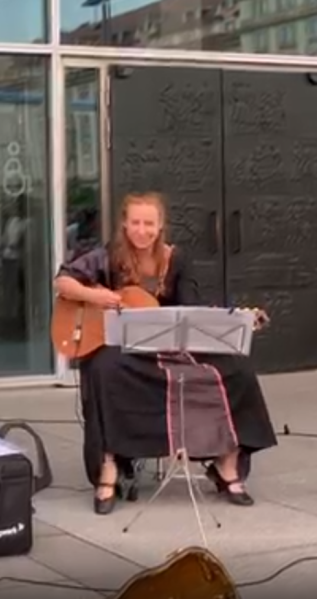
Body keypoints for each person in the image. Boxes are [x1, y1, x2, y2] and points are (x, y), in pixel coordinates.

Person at [54, 192, 277, 515]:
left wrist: (235, 318)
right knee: (103, 369)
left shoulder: (176, 260)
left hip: (168, 346)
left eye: (149, 224)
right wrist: (98, 297)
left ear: (160, 227)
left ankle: (226, 463)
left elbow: (192, 308)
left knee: (238, 369)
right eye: (135, 223)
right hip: (123, 347)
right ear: (124, 224)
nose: (141, 230)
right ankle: (109, 464)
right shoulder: (108, 255)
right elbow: (63, 282)